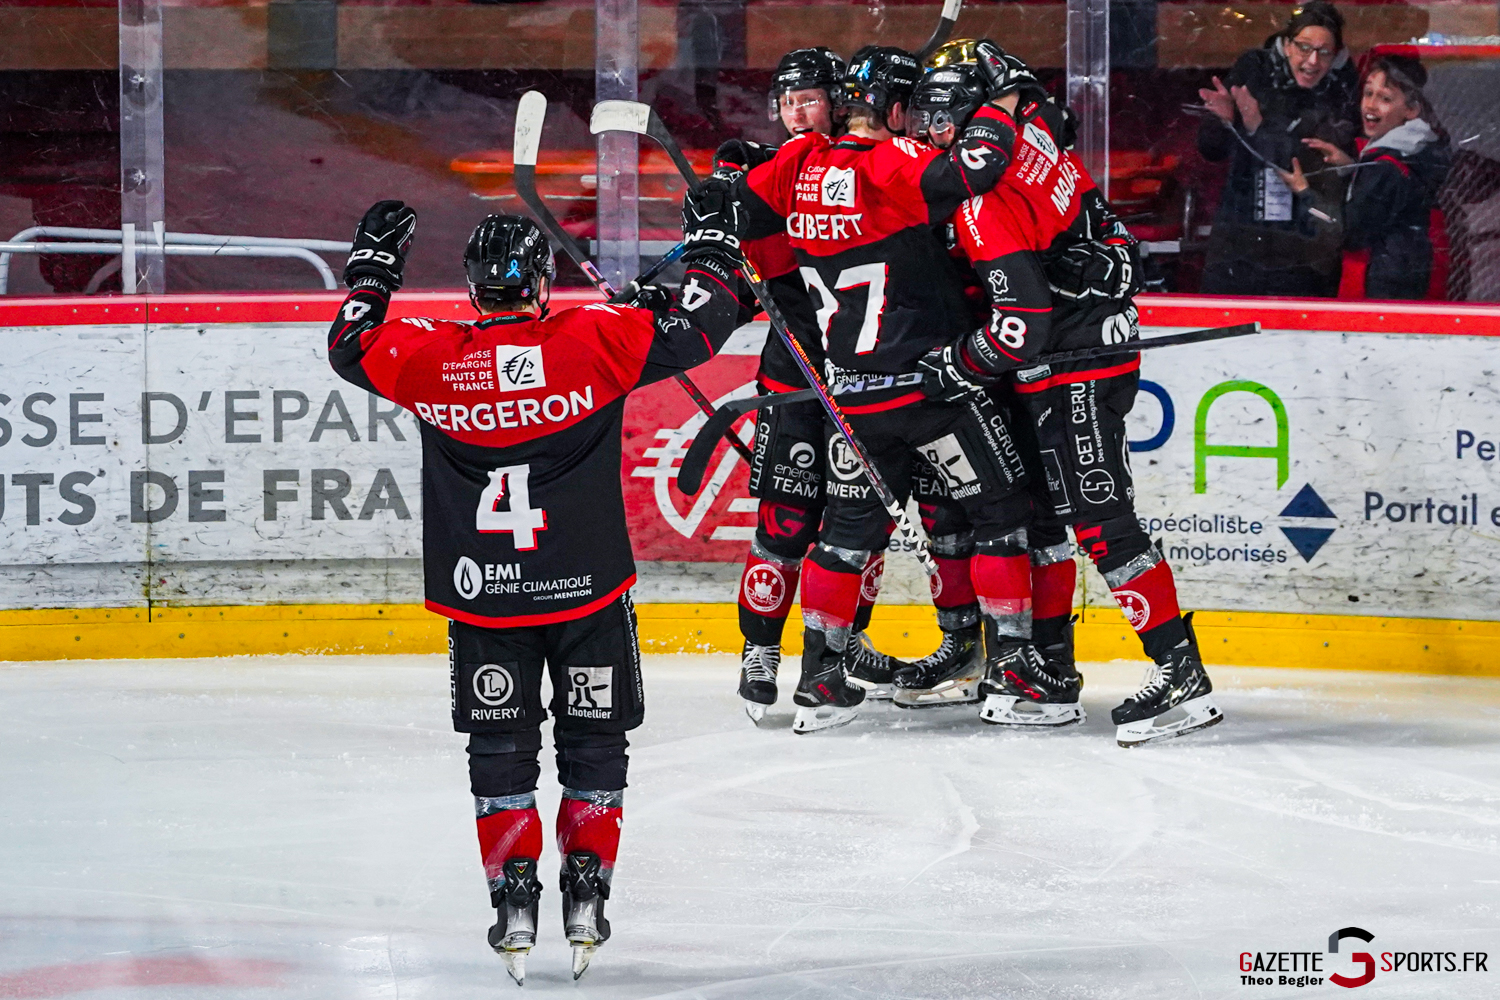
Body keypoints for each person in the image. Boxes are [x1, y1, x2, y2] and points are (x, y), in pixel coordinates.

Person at [325, 185, 751, 982]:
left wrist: (373, 267)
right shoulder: (595, 335)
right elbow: (702, 327)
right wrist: (714, 245)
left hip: (481, 596)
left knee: (500, 746)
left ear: (474, 286)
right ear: (540, 284)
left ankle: (511, 890)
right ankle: (586, 886)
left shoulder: (430, 354)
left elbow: (350, 345)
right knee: (594, 739)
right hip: (585, 590)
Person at [907, 44, 1225, 746]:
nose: (926, 134)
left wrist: (960, 364)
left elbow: (1022, 324)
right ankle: (1050, 675)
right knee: (1051, 519)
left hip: (1074, 365)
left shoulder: (982, 205)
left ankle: (1182, 672)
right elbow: (1107, 229)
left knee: (1101, 519)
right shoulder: (1037, 137)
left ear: (965, 122)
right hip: (1085, 352)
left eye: (937, 119)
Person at [737, 42, 1035, 733]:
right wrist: (999, 106)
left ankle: (818, 679)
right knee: (1000, 513)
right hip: (929, 389)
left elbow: (744, 212)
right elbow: (972, 174)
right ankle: (1012, 671)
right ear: (895, 110)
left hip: (850, 400)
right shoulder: (890, 165)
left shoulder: (798, 164)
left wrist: (724, 184)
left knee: (844, 538)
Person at [715, 47, 905, 722]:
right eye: (787, 102)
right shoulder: (778, 168)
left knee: (860, 527)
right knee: (787, 521)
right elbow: (741, 282)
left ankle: (844, 646)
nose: (798, 112)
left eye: (810, 100)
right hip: (794, 369)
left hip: (864, 371)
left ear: (839, 100)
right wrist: (719, 216)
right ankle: (760, 651)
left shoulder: (865, 163)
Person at [1196, 0, 1358, 297]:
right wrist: (1225, 122)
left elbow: (1305, 162)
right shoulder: (1256, 70)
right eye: (1304, 47)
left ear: (1336, 57)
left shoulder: (1341, 89)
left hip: (1305, 245)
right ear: (1287, 45)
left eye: (1324, 52)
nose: (1312, 61)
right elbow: (1210, 149)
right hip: (1241, 239)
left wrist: (1258, 126)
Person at [1276, 54, 1451, 300]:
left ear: (1411, 110)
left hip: (1382, 289)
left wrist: (1304, 193)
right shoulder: (1414, 151)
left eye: (1385, 98)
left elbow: (1346, 233)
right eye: (1368, 94)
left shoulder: (1386, 167)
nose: (1370, 105)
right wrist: (1354, 167)